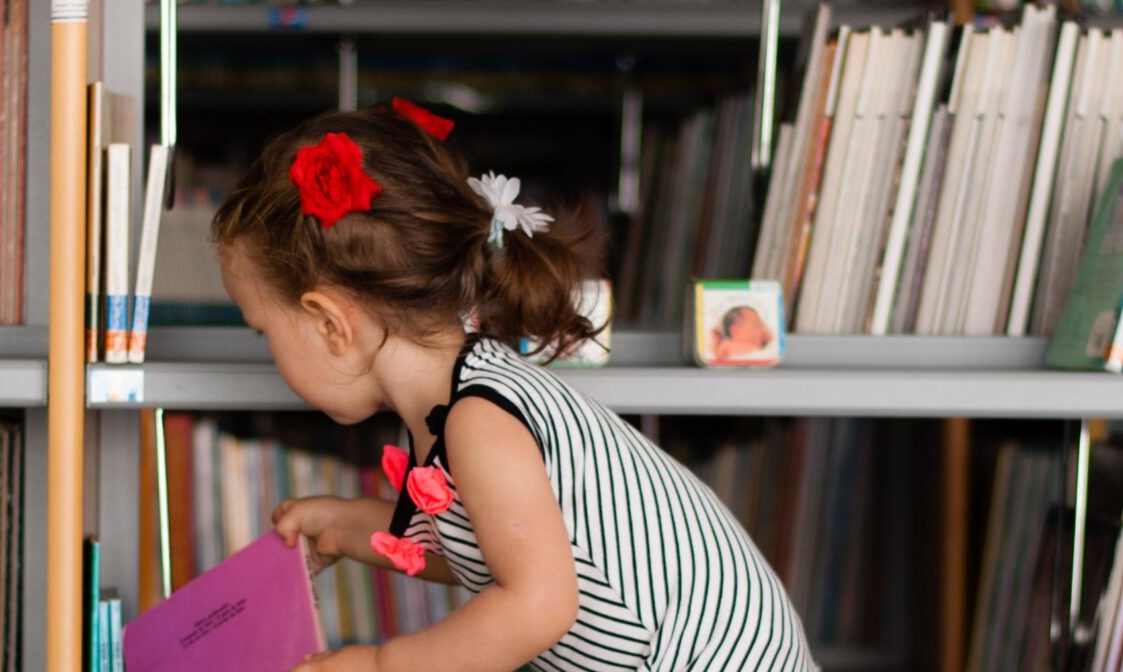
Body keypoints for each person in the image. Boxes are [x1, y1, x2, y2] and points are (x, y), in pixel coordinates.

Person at [213, 101, 815, 671]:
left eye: (262, 330)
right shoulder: (456, 397)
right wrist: (349, 527)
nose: (266, 349)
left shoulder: (479, 420)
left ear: (330, 324)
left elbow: (538, 604)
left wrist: (381, 663)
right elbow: (492, 554)